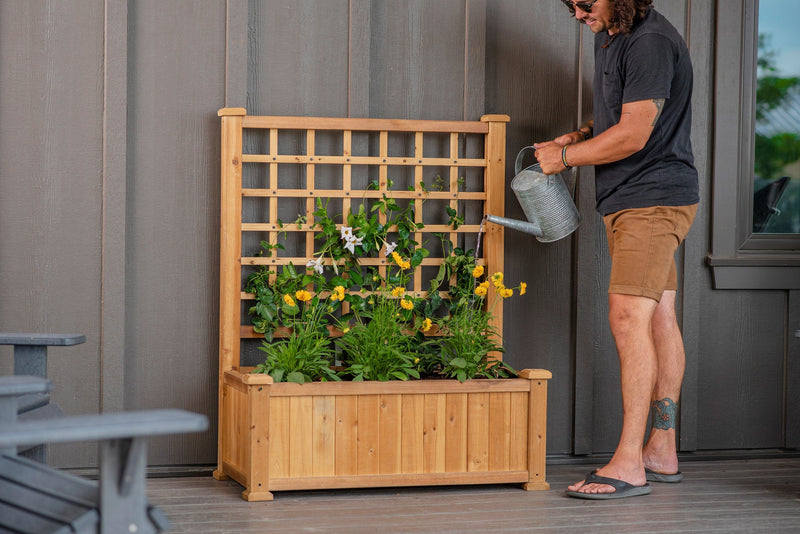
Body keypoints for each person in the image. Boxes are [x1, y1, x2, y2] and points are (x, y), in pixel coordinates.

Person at [534, 0, 699, 500]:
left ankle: (629, 462)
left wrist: (564, 157)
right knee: (658, 318)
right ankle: (660, 449)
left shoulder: (649, 41)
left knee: (628, 318)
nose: (577, 12)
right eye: (571, 6)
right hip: (638, 199)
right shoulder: (617, 35)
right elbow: (624, 113)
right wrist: (583, 135)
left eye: (585, 2)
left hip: (651, 201)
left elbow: (633, 134)